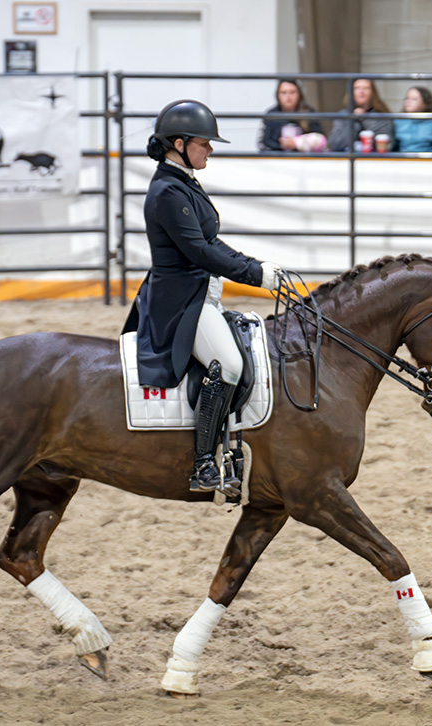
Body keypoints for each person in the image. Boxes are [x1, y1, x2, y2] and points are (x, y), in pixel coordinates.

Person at [122, 100, 282, 495]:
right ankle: (204, 463)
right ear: (178, 143)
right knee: (227, 363)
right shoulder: (167, 191)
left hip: (201, 292)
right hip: (181, 302)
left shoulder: (183, 182)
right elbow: (200, 253)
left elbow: (211, 243)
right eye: (204, 143)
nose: (209, 149)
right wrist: (254, 275)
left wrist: (253, 264)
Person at [258, 78, 327, 152]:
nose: (288, 96)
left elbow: (320, 139)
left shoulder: (308, 113)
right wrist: (282, 144)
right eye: (284, 93)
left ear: (299, 94)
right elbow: (264, 142)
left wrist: (298, 143)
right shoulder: (271, 115)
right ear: (278, 95)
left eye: (292, 92)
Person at [328, 78, 394, 151]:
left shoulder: (381, 115)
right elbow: (336, 143)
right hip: (347, 159)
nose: (361, 92)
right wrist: (353, 120)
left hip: (374, 160)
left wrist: (364, 118)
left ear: (373, 93)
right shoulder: (343, 114)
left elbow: (387, 145)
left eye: (366, 88)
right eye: (357, 88)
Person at [394, 86, 432, 152]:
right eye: (407, 98)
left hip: (427, 160)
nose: (409, 101)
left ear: (425, 102)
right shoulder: (398, 121)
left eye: (414, 99)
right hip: (402, 159)